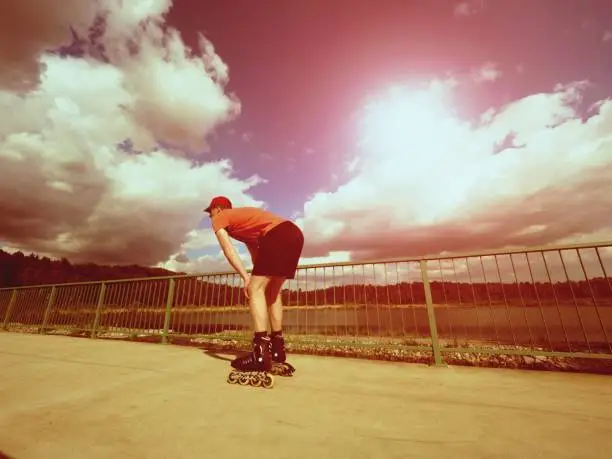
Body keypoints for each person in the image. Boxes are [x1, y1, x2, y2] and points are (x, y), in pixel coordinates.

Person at [203, 196, 304, 375]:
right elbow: (257, 256)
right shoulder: (245, 225)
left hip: (278, 235)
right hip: (294, 234)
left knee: (255, 289)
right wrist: (256, 280)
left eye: (210, 212)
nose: (209, 216)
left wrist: (246, 279)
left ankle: (260, 354)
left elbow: (228, 250)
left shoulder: (220, 217)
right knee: (272, 291)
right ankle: (277, 350)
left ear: (217, 209)